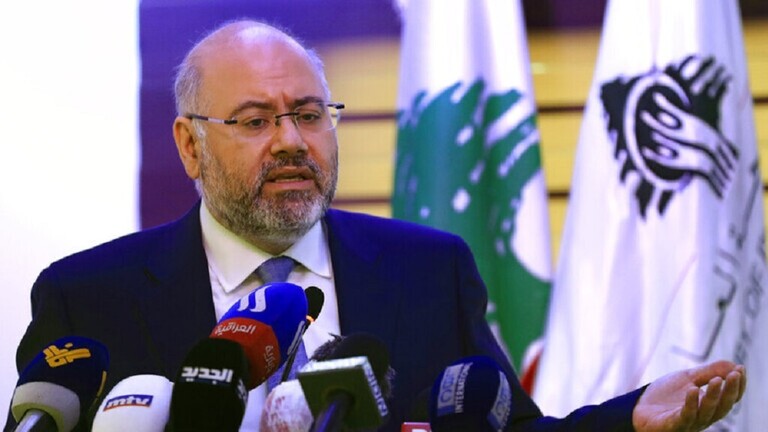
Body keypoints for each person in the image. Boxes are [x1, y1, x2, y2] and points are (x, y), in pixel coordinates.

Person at [9, 20, 745, 432]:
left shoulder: (430, 270)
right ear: (189, 144)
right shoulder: (91, 295)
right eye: (256, 121)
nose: (292, 141)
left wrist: (627, 421)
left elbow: (507, 429)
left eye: (308, 115)